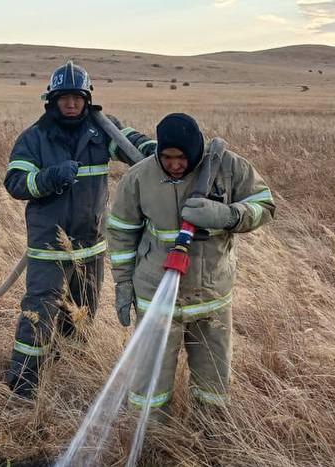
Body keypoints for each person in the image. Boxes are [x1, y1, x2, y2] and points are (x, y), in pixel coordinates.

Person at [3, 60, 157, 399]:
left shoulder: (101, 131)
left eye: (77, 97)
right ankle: (23, 385)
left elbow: (133, 144)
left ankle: (69, 376)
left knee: (81, 314)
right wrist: (49, 177)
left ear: (87, 99)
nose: (71, 104)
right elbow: (15, 183)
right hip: (48, 248)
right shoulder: (35, 138)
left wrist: (160, 152)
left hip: (90, 247)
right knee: (39, 313)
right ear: (52, 100)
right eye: (64, 98)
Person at [107, 113, 276, 418]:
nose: (173, 164)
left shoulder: (229, 167)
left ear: (195, 150)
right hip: (156, 296)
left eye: (181, 157)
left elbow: (265, 204)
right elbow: (121, 231)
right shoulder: (139, 177)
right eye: (166, 157)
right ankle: (152, 438)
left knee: (213, 383)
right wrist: (122, 284)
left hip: (211, 296)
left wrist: (230, 216)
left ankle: (209, 435)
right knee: (150, 383)